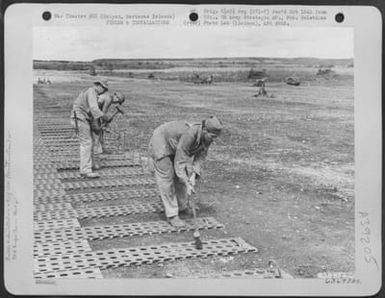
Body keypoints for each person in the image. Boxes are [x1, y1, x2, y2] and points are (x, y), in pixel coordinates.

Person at [148, 116, 223, 227]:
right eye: (212, 136)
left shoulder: (207, 137)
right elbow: (180, 161)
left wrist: (193, 176)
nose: (213, 139)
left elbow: (200, 158)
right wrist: (186, 183)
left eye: (215, 137)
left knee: (183, 177)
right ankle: (172, 215)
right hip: (162, 141)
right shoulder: (190, 134)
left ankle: (182, 207)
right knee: (167, 178)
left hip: (176, 145)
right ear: (205, 130)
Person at [70, 79, 110, 178]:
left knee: (89, 142)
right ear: (98, 86)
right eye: (104, 89)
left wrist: (96, 127)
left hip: (81, 119)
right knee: (86, 143)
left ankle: (90, 165)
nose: (104, 91)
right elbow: (94, 109)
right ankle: (85, 170)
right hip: (79, 118)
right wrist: (103, 116)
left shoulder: (91, 93)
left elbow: (91, 113)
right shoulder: (92, 91)